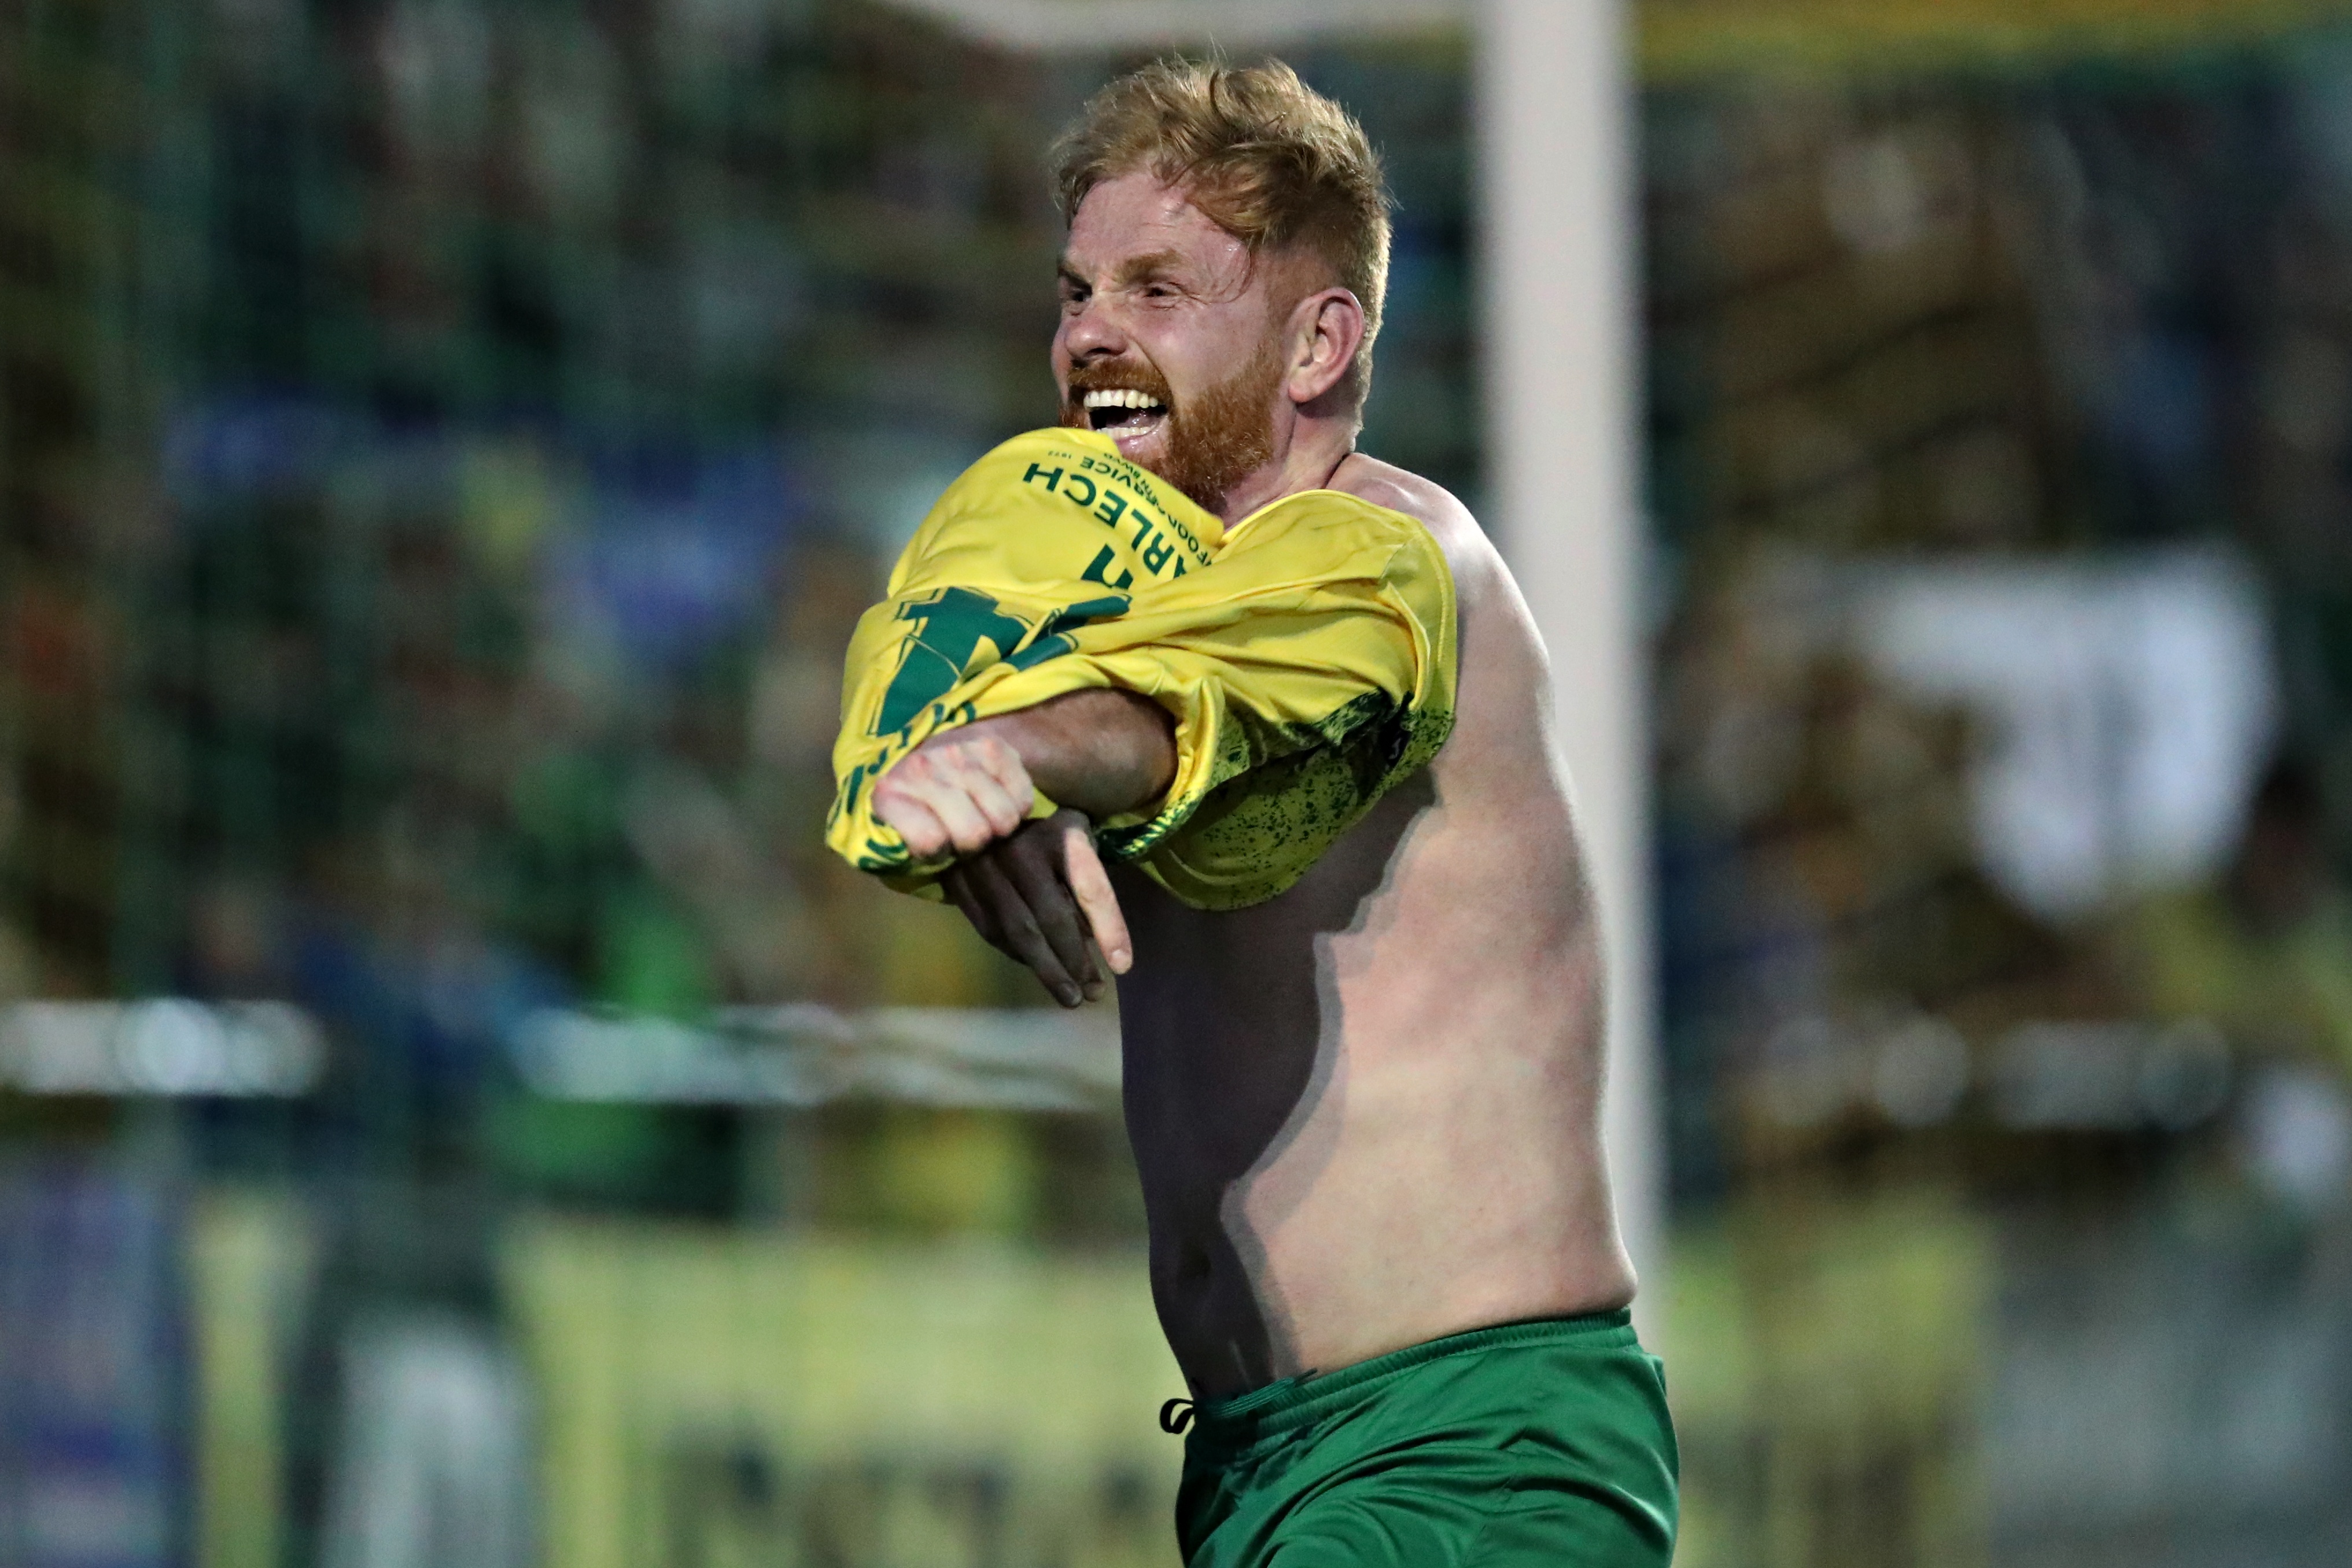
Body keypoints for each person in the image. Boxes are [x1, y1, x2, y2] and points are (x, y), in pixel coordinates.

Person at [826, 59, 1676, 1567]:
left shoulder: (1398, 562)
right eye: (1078, 288)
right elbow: (1000, 717)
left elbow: (1183, 721)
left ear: (1317, 342)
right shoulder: (1125, 588)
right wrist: (964, 771)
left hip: (1465, 1456)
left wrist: (1024, 753)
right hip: (1267, 1466)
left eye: (1157, 289)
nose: (1091, 330)